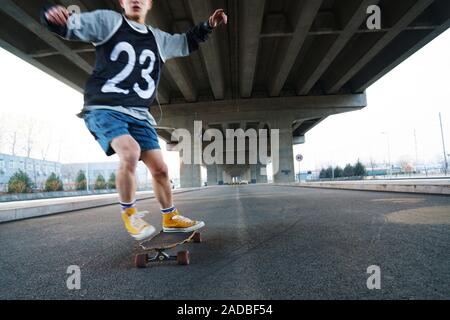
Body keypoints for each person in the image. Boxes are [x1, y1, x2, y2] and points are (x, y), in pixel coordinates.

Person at [40, 0, 227, 241]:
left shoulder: (157, 38)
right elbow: (69, 26)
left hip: (139, 115)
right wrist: (51, 14)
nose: (136, 0)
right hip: (104, 107)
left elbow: (185, 42)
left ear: (149, 3)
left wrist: (209, 25)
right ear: (122, 2)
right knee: (130, 152)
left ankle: (170, 217)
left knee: (160, 169)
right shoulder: (108, 22)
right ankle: (130, 215)